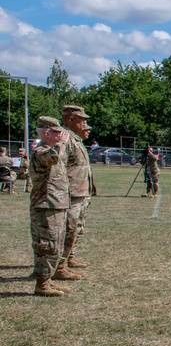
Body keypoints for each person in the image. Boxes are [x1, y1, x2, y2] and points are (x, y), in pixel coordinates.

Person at [29, 116, 72, 297]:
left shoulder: (51, 149)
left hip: (56, 204)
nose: (61, 135)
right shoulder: (41, 151)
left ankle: (49, 279)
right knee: (46, 246)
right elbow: (52, 158)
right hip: (45, 206)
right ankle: (42, 283)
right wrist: (61, 142)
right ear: (47, 133)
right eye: (57, 132)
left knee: (56, 246)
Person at [60, 105, 95, 274]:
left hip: (80, 193)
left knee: (77, 228)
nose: (85, 123)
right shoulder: (65, 138)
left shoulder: (75, 139)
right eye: (82, 120)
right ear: (70, 119)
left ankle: (70, 257)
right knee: (68, 229)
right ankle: (60, 266)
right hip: (70, 194)